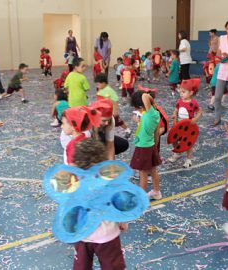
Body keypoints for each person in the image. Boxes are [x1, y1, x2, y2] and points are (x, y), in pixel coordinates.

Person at [71, 138, 127, 270]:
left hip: (83, 235)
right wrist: (123, 221)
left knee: (81, 266)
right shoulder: (109, 182)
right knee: (113, 266)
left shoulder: (74, 184)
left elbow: (69, 209)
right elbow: (119, 205)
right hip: (107, 235)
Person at [129, 91, 162, 200]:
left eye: (138, 108)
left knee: (142, 172)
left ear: (140, 106)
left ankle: (141, 196)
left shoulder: (150, 113)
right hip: (151, 145)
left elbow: (144, 96)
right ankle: (156, 192)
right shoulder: (155, 114)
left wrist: (151, 100)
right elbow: (156, 133)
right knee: (153, 170)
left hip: (143, 147)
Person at [168, 79, 202, 168]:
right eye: (180, 92)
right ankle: (177, 153)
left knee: (189, 143)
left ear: (191, 93)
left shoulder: (194, 103)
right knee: (174, 139)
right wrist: (174, 115)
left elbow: (199, 112)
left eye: (183, 92)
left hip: (189, 127)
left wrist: (195, 119)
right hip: (179, 126)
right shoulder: (179, 101)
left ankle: (188, 160)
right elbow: (176, 110)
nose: (181, 94)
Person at [95, 74, 131, 138]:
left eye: (98, 84)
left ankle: (127, 129)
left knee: (118, 122)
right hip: (103, 111)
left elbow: (115, 100)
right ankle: (103, 132)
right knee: (105, 122)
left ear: (103, 83)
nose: (97, 86)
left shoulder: (109, 90)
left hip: (111, 111)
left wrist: (115, 110)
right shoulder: (101, 89)